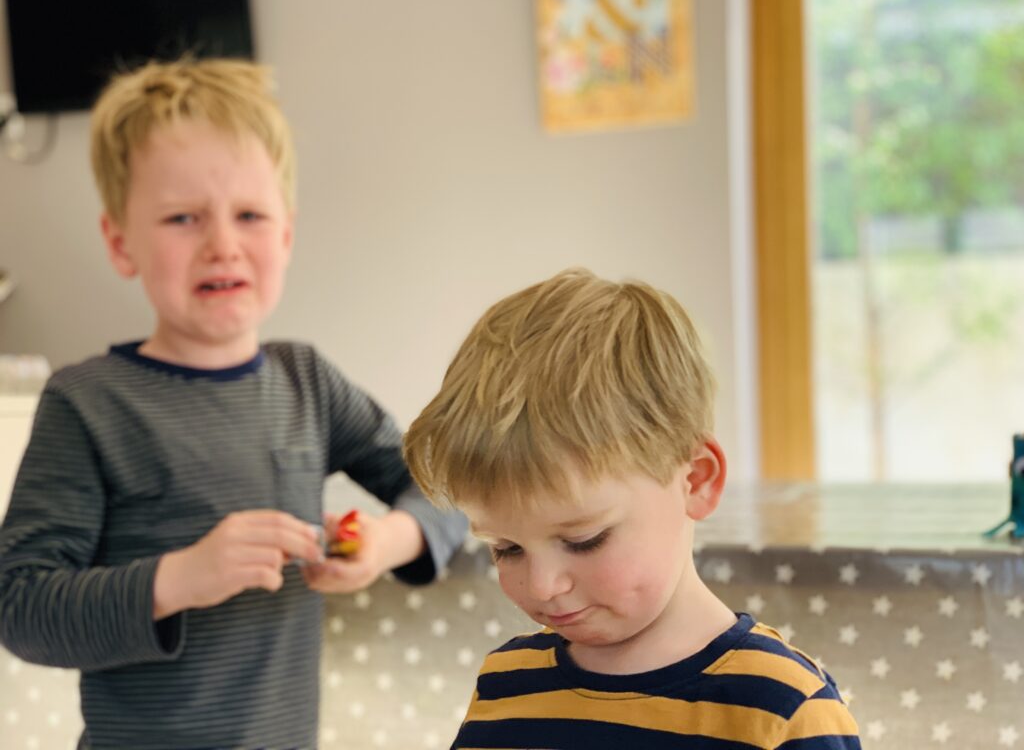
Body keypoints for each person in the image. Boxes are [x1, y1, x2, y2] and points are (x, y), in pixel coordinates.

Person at [0, 57, 467, 750]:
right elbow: (22, 607)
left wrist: (385, 543)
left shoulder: (306, 381)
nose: (222, 245)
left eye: (249, 214)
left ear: (285, 233)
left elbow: (446, 485)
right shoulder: (86, 403)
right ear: (120, 241)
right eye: (183, 217)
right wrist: (179, 578)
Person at [404, 268, 861, 749]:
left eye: (583, 540)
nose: (542, 586)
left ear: (695, 481)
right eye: (507, 548)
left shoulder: (781, 707)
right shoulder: (506, 683)